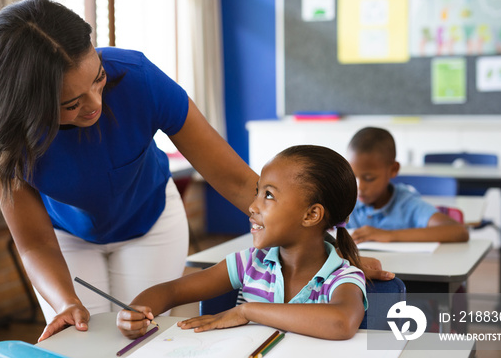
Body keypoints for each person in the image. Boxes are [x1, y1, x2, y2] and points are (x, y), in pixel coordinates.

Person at [0, 0, 389, 343]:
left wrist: (327, 253)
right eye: (71, 104)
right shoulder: (0, 131)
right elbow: (33, 243)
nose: (95, 104)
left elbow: (236, 179)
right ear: (28, 106)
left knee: (140, 337)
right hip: (64, 237)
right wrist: (64, 302)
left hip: (150, 221)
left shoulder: (137, 79)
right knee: (85, 340)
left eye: (97, 79)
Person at [117, 145, 367, 341]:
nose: (252, 205)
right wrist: (137, 312)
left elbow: (341, 322)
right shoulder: (249, 263)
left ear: (311, 215)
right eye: (257, 191)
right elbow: (171, 291)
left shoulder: (342, 277)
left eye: (268, 195)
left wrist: (247, 311)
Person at [346, 127, 469, 243]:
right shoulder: (347, 203)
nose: (359, 187)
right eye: (353, 176)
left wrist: (389, 235)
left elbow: (459, 232)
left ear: (394, 169)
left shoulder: (407, 204)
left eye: (369, 178)